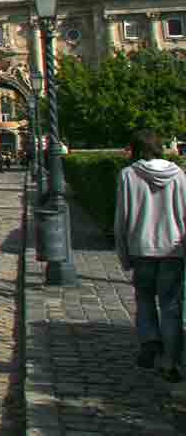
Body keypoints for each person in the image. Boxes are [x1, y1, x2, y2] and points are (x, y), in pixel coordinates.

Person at [115, 128, 186, 382]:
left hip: (142, 249)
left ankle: (150, 341)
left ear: (135, 148)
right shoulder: (178, 175)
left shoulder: (128, 175)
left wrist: (123, 253)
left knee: (144, 299)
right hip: (173, 250)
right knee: (171, 307)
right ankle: (170, 362)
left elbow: (121, 220)